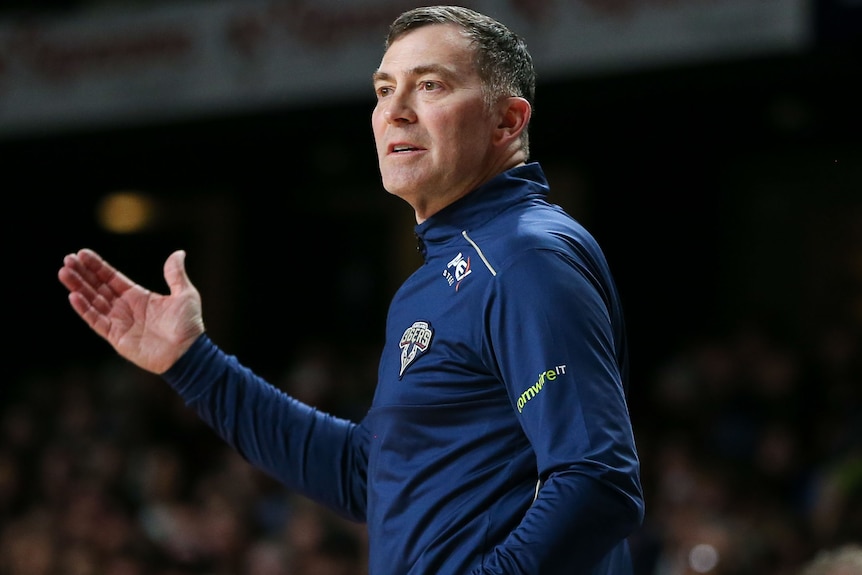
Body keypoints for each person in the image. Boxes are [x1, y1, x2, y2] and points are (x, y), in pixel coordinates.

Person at [58, 5, 644, 574]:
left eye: (431, 85)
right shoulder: (439, 278)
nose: (396, 111)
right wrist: (192, 364)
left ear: (508, 121)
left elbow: (598, 478)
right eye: (384, 89)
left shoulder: (524, 258)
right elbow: (368, 476)